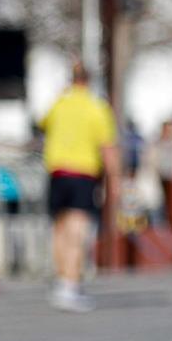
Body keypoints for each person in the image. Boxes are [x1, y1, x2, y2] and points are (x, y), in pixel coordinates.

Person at [40, 61, 118, 312]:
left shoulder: (59, 104)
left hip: (56, 171)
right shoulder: (96, 107)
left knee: (59, 228)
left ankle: (62, 279)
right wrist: (115, 180)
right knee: (77, 230)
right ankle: (71, 285)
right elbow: (107, 147)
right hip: (82, 173)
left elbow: (44, 124)